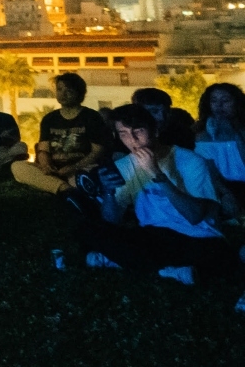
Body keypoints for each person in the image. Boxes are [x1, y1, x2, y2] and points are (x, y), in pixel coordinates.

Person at [67, 105, 242, 294]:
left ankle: (116, 261)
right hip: (153, 236)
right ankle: (167, 271)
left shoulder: (190, 160)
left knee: (220, 257)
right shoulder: (125, 165)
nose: (132, 140)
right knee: (86, 229)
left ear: (155, 130)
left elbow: (195, 216)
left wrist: (156, 173)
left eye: (138, 131)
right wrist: (108, 192)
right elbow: (111, 220)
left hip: (197, 237)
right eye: (123, 133)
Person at [13, 73, 111, 194]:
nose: (63, 94)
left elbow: (97, 151)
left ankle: (60, 188)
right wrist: (45, 165)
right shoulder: (49, 119)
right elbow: (43, 150)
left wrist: (73, 168)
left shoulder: (91, 117)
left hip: (82, 167)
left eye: (68, 90)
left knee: (84, 175)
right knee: (18, 167)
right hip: (55, 170)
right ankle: (65, 189)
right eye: (59, 89)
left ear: (78, 92)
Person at [194, 83, 245, 194]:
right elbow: (208, 170)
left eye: (225, 100)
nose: (219, 105)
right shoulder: (201, 134)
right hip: (221, 191)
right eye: (214, 100)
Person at [130, 87, 197, 152]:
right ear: (138, 113)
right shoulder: (128, 137)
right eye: (154, 111)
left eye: (166, 111)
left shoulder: (182, 134)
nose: (161, 117)